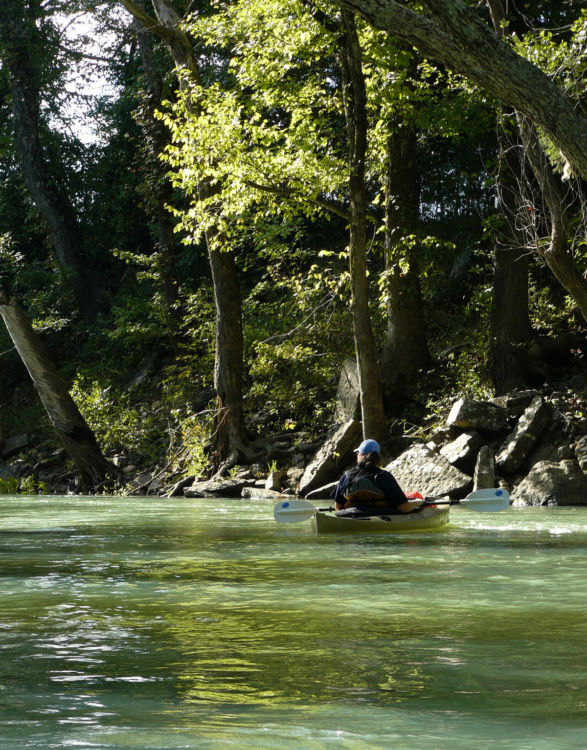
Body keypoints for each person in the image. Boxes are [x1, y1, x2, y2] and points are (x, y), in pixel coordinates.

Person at [332, 439, 425, 516]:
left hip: (352, 517)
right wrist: (420, 502)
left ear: (360, 455)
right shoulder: (384, 476)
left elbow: (338, 507)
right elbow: (404, 508)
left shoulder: (346, 475)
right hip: (382, 517)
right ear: (377, 457)